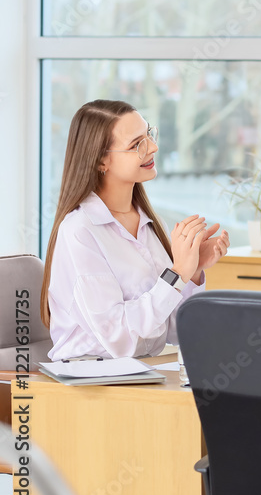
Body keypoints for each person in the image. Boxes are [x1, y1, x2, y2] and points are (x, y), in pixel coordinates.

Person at [41, 99, 230, 360]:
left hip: (143, 372)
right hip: (91, 382)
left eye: (149, 134)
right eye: (136, 144)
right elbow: (118, 338)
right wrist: (176, 273)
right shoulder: (79, 231)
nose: (153, 147)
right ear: (100, 161)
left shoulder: (150, 223)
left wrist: (192, 271)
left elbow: (172, 332)